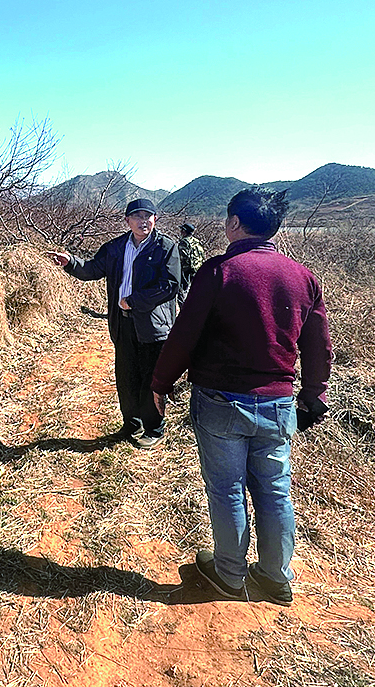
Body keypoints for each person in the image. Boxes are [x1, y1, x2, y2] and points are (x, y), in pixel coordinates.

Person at [151, 188, 331, 606]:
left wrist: (160, 383)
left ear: (234, 222)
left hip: (221, 401)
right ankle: (276, 577)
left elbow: (184, 335)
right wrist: (313, 394)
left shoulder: (220, 271)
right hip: (278, 403)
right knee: (275, 491)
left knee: (227, 490)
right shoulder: (303, 277)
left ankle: (229, 575)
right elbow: (318, 346)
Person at [46, 198, 181, 447]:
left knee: (150, 378)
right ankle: (132, 424)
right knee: (126, 377)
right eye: (137, 216)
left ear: (155, 219)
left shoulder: (165, 247)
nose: (143, 221)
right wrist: (71, 262)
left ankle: (154, 429)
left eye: (148, 216)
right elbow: (92, 269)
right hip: (123, 323)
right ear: (127, 220)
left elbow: (170, 285)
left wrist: (134, 301)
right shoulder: (115, 247)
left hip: (153, 325)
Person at [177, 222, 205, 306]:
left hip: (186, 270)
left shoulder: (184, 242)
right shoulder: (196, 241)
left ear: (184, 231)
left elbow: (182, 258)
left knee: (182, 291)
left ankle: (184, 308)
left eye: (182, 230)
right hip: (198, 269)